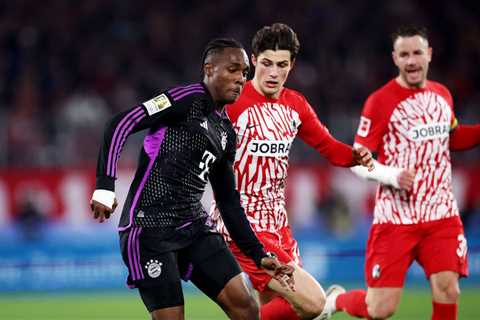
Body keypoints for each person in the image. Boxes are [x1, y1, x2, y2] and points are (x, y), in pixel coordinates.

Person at [90, 38, 295, 320]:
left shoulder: (225, 131)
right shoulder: (184, 100)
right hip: (150, 229)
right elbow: (121, 124)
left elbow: (228, 201)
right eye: (233, 69)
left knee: (246, 308)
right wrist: (104, 186)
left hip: (193, 227)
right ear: (209, 68)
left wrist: (258, 254)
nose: (240, 79)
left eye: (245, 74)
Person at [208, 23, 375, 320]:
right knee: (311, 303)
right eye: (267, 63)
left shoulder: (295, 105)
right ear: (254, 60)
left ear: (291, 65)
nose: (274, 72)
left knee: (280, 308)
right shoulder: (231, 102)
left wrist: (355, 156)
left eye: (282, 65)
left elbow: (328, 146)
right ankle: (333, 304)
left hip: (278, 224)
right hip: (242, 225)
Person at [323, 26, 480, 320]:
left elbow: (453, 137)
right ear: (395, 58)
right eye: (404, 54)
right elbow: (357, 161)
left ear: (429, 55)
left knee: (448, 290)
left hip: (441, 215)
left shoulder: (442, 95)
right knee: (381, 308)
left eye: (417, 53)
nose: (411, 61)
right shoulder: (380, 102)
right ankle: (337, 300)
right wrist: (391, 176)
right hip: (397, 218)